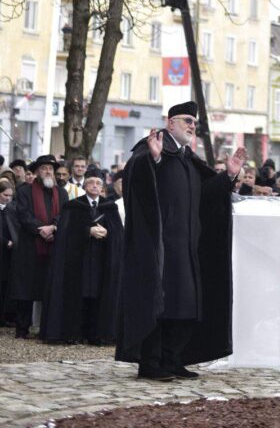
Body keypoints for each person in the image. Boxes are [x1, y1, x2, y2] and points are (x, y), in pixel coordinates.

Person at [115, 101, 246, 381]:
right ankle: (150, 364)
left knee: (186, 307)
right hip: (160, 248)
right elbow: (136, 179)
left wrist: (228, 176)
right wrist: (153, 160)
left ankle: (173, 360)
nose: (192, 126)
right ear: (170, 122)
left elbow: (205, 195)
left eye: (194, 122)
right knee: (159, 306)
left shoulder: (188, 158)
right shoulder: (152, 149)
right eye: (187, 120)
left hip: (187, 248)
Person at [42, 167, 123, 345]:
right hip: (78, 261)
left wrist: (108, 233)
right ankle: (74, 333)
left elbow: (119, 234)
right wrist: (87, 231)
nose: (94, 186)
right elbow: (65, 233)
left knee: (99, 296)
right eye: (91, 182)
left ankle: (97, 334)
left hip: (101, 261)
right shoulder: (73, 206)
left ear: (102, 187)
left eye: (98, 183)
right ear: (85, 186)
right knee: (77, 295)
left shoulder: (110, 207)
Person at [9, 154, 68, 339]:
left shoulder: (62, 193)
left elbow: (65, 214)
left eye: (51, 168)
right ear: (36, 172)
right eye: (44, 168)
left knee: (49, 290)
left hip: (54, 245)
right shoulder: (24, 191)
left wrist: (54, 227)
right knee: (26, 290)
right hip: (30, 246)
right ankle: (22, 329)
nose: (48, 171)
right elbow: (23, 214)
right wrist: (40, 229)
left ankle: (47, 330)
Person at [0, 180, 18, 325]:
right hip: (3, 248)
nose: (8, 198)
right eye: (5, 195)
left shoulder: (12, 209)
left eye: (10, 196)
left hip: (9, 254)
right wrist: (5, 242)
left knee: (6, 284)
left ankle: (5, 316)